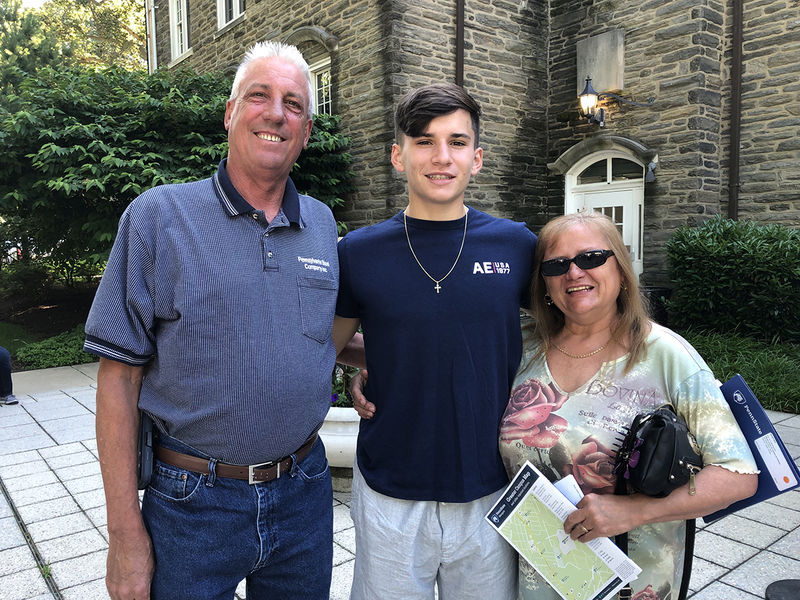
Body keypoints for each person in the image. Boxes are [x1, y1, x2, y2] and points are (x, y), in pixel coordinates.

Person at [85, 41, 348, 600]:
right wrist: (123, 533)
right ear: (230, 114)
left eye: (294, 104)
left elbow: (316, 334)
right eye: (259, 96)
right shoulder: (158, 217)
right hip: (191, 504)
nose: (276, 113)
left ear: (305, 131)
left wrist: (370, 364)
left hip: (303, 491)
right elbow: (118, 377)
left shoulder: (323, 227)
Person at [332, 83, 537, 599]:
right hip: (390, 491)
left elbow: (579, 333)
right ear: (398, 157)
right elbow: (323, 345)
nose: (441, 157)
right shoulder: (357, 252)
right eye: (423, 142)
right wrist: (371, 360)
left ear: (478, 157)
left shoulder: (516, 244)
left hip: (492, 485)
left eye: (457, 141)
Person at [499, 211, 758, 600]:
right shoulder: (521, 346)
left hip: (631, 581)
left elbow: (738, 473)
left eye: (591, 258)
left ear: (620, 271)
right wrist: (370, 371)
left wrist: (635, 510)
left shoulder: (666, 354)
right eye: (556, 264)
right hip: (533, 574)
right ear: (544, 284)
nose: (574, 273)